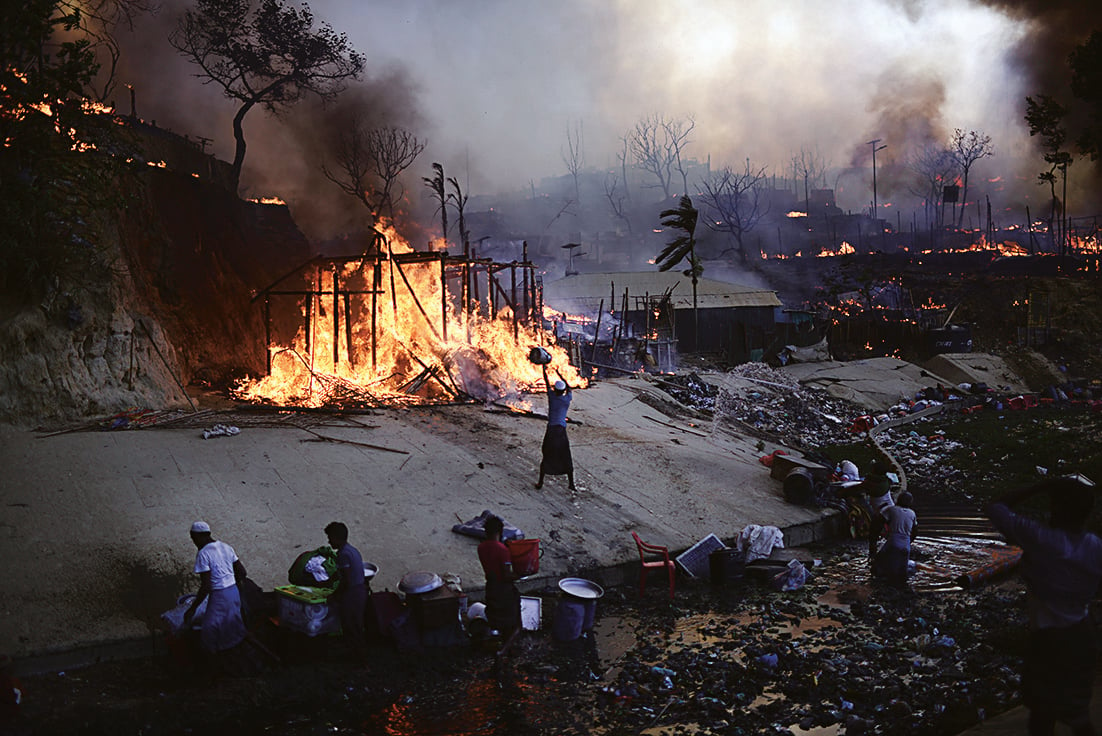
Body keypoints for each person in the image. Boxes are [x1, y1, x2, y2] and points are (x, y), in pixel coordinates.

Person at [986, 476, 1102, 736]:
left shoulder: (1041, 539)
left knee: (1041, 713)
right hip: (1083, 635)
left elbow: (996, 507)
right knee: (1078, 715)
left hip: (1049, 641)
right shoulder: (1095, 547)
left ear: (1057, 508)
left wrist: (1040, 486)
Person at [183, 521, 248, 659]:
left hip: (220, 596)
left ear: (199, 536)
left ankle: (212, 661)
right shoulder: (226, 547)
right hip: (233, 592)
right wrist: (233, 584)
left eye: (194, 538)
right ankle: (236, 652)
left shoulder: (203, 554)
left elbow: (206, 586)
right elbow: (242, 572)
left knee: (210, 628)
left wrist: (193, 608)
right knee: (232, 623)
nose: (194, 542)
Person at [324, 521, 369, 666]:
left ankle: (360, 661)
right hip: (359, 591)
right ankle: (356, 656)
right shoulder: (352, 550)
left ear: (337, 538)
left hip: (353, 594)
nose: (329, 541)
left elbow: (346, 580)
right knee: (355, 625)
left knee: (352, 627)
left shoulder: (343, 554)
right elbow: (342, 575)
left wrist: (335, 595)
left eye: (330, 537)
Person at [477, 515, 522, 658]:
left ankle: (502, 647)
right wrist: (523, 573)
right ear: (501, 531)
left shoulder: (481, 547)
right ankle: (502, 651)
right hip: (505, 590)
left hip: (491, 587)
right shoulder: (503, 551)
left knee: (497, 620)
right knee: (516, 625)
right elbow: (506, 575)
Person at [535, 364, 575, 491]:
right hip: (561, 431)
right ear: (563, 391)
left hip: (551, 431)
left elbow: (547, 383)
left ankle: (540, 482)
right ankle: (571, 484)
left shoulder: (552, 397)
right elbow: (569, 387)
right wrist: (559, 373)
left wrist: (544, 369)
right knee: (565, 455)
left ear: (555, 390)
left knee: (547, 454)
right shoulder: (567, 399)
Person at [871, 491, 917, 587]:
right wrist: (908, 542)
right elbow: (915, 532)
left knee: (877, 564)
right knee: (902, 574)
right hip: (906, 546)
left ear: (898, 500)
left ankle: (880, 586)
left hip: (893, 542)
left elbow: (879, 523)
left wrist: (873, 540)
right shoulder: (912, 513)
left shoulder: (891, 510)